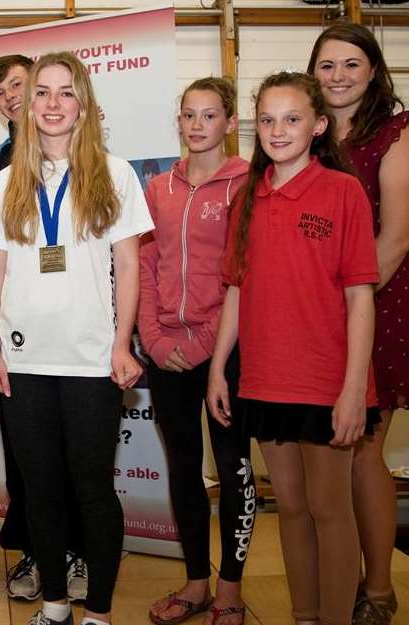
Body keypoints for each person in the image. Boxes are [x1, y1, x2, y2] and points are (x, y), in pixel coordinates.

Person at [0, 51, 153, 625]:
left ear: (83, 105)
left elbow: (129, 268)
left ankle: (97, 612)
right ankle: (54, 605)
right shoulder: (5, 182)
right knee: (42, 492)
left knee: (93, 491)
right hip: (23, 362)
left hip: (92, 361)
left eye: (65, 92)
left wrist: (122, 345)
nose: (52, 104)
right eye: (42, 93)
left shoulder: (116, 174)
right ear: (27, 107)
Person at [207, 71, 380, 625]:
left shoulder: (341, 191)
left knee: (331, 510)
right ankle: (305, 616)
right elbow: (235, 289)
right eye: (267, 120)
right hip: (263, 379)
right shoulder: (247, 199)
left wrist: (355, 390)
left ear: (319, 125)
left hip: (328, 382)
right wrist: (217, 372)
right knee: (293, 508)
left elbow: (360, 298)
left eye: (292, 119)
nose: (277, 131)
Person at [0, 53, 88, 603]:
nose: (14, 97)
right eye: (2, 92)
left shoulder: (92, 161)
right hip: (18, 337)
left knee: (77, 460)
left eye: (23, 85)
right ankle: (36, 557)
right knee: (25, 464)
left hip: (78, 339)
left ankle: (76, 555)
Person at [139, 77, 251, 625]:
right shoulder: (158, 188)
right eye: (189, 115)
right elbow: (142, 265)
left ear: (229, 123)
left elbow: (245, 272)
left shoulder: (251, 183)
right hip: (167, 354)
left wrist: (207, 344)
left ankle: (230, 588)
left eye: (209, 115)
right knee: (183, 467)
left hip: (228, 352)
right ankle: (197, 581)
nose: (198, 125)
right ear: (178, 122)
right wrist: (155, 342)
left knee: (232, 469)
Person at [308, 24, 409, 625]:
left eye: (351, 64)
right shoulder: (307, 134)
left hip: (379, 305)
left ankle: (378, 588)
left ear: (373, 70)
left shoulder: (396, 133)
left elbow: (395, 238)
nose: (339, 76)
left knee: (365, 449)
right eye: (327, 66)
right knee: (327, 454)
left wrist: (351, 307)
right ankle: (338, 576)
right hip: (315, 317)